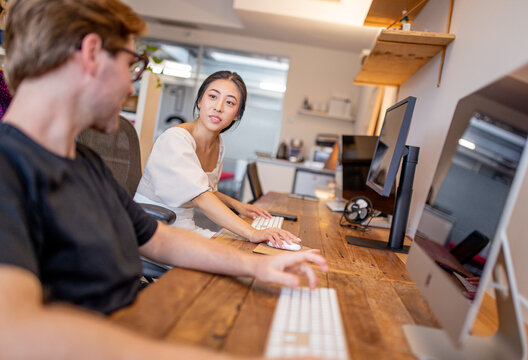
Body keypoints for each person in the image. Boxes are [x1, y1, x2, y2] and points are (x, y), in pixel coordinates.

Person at [0, 1, 328, 359]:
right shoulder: (8, 169)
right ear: (91, 53)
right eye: (132, 66)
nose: (130, 86)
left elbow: (156, 237)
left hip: (138, 314)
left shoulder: (83, 162)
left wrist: (256, 264)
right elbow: (15, 334)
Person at [135, 71, 299, 249]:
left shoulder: (218, 144)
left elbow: (207, 189)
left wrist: (239, 206)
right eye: (213, 96)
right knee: (238, 255)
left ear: (237, 114)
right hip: (152, 230)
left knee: (246, 249)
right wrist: (252, 232)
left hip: (183, 227)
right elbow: (200, 197)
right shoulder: (175, 139)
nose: (218, 107)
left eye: (229, 102)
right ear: (199, 101)